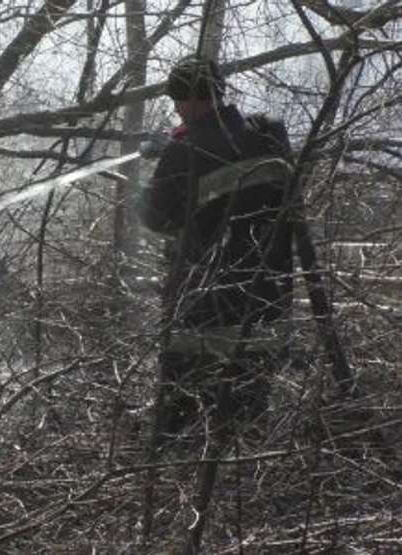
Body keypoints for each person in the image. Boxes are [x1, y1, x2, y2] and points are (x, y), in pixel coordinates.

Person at [138, 55, 296, 442]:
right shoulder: (267, 137)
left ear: (191, 100)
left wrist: (167, 157)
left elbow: (154, 218)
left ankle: (176, 479)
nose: (175, 108)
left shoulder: (182, 153)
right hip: (266, 296)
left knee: (185, 413)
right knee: (247, 412)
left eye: (177, 99)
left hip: (202, 302)